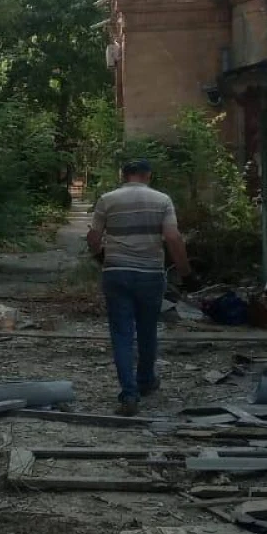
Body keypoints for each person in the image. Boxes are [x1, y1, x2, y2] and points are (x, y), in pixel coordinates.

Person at [87, 158, 190, 415]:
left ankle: (129, 395)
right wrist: (185, 271)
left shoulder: (107, 199)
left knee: (122, 334)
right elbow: (172, 237)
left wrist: (99, 256)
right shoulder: (162, 200)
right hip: (150, 274)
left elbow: (94, 237)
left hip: (116, 273)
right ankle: (145, 381)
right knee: (147, 330)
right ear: (148, 175)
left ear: (124, 175)